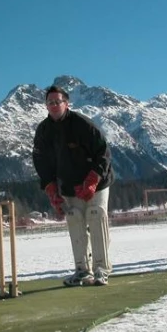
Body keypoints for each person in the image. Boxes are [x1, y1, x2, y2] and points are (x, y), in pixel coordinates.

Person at [32, 86, 114, 287]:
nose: (53, 105)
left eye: (57, 101)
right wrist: (51, 189)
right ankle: (82, 271)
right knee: (75, 219)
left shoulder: (82, 124)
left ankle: (101, 270)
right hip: (68, 184)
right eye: (50, 102)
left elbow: (103, 153)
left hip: (97, 180)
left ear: (66, 103)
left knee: (95, 216)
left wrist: (93, 180)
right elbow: (41, 163)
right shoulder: (43, 131)